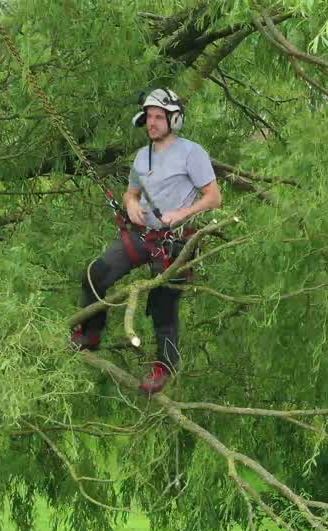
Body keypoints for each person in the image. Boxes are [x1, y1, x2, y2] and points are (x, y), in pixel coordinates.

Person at [71, 88, 222, 394]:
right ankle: (91, 332)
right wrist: (130, 204)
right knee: (96, 274)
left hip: (177, 241)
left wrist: (182, 213)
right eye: (149, 117)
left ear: (173, 120)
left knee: (163, 303)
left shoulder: (193, 153)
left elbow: (214, 198)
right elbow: (131, 191)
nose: (151, 123)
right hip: (145, 235)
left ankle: (164, 366)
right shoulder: (142, 157)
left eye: (157, 117)